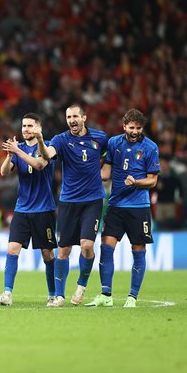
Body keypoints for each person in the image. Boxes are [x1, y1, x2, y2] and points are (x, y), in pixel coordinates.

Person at [35, 104, 108, 307]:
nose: (72, 120)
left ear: (84, 117)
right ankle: (59, 296)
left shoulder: (100, 138)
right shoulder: (60, 139)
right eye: (68, 117)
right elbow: (47, 155)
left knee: (87, 246)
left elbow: (107, 158)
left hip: (92, 200)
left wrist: (104, 174)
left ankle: (81, 287)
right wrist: (41, 140)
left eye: (75, 116)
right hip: (68, 201)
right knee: (63, 250)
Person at [86, 109, 160, 308]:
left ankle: (132, 297)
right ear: (124, 126)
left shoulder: (150, 147)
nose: (134, 131)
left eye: (138, 128)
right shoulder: (113, 143)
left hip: (139, 206)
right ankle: (106, 295)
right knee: (106, 247)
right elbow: (106, 172)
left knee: (138, 249)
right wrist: (88, 170)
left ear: (142, 128)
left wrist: (136, 182)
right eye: (131, 127)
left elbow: (153, 180)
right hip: (116, 205)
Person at [0, 113, 57, 306]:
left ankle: (53, 294)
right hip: (22, 208)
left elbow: (38, 165)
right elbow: (3, 173)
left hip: (43, 209)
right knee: (12, 249)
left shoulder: (47, 147)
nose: (26, 129)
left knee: (47, 253)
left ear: (39, 129)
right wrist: (10, 155)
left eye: (30, 126)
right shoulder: (17, 148)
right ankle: (7, 294)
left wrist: (18, 152)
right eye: (24, 126)